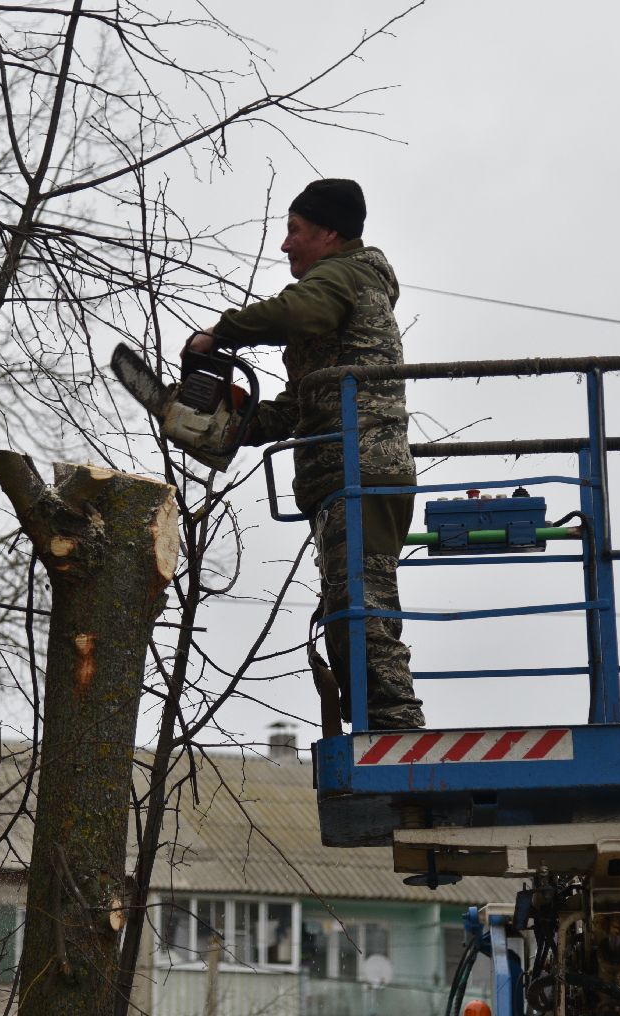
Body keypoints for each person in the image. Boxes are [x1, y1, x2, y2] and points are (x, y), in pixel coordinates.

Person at [187, 178, 424, 731]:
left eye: (295, 231)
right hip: (345, 472)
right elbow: (296, 406)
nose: (285, 245)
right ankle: (374, 719)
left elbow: (293, 313)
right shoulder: (339, 295)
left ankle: (395, 727)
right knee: (348, 610)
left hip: (362, 467)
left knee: (361, 609)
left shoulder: (340, 277)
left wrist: (219, 334)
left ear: (330, 232)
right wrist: (230, 425)